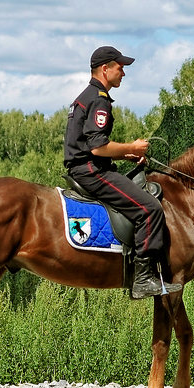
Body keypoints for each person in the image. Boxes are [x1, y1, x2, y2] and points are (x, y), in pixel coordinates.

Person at [64, 46, 168, 298]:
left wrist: (125, 153)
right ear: (105, 69)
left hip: (85, 166)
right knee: (150, 208)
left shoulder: (88, 95)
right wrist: (131, 146)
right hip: (91, 171)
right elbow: (98, 148)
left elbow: (91, 144)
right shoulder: (98, 98)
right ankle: (143, 279)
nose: (123, 73)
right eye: (120, 68)